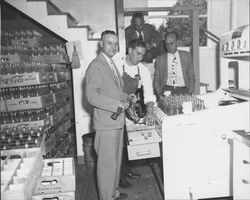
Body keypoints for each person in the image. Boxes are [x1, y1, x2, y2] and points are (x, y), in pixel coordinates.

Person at [85, 30, 128, 200]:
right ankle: (106, 197)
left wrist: (125, 97)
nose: (113, 46)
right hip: (106, 123)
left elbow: (113, 91)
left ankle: (113, 194)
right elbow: (92, 96)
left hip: (116, 122)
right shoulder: (96, 65)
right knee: (106, 166)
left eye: (116, 43)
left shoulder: (111, 63)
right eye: (109, 43)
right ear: (101, 44)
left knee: (115, 164)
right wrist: (116, 104)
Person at [113, 39, 156, 188]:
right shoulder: (117, 65)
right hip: (116, 106)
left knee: (128, 140)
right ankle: (119, 178)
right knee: (117, 144)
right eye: (138, 53)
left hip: (129, 105)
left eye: (142, 55)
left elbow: (149, 92)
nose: (140, 57)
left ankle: (126, 171)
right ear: (129, 50)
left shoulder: (142, 69)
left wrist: (150, 110)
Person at [153, 30, 195, 97]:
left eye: (171, 43)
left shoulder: (187, 56)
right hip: (166, 90)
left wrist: (190, 91)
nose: (169, 46)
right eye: (167, 44)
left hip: (184, 90)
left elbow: (191, 77)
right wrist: (160, 94)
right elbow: (156, 80)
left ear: (177, 42)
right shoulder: (160, 60)